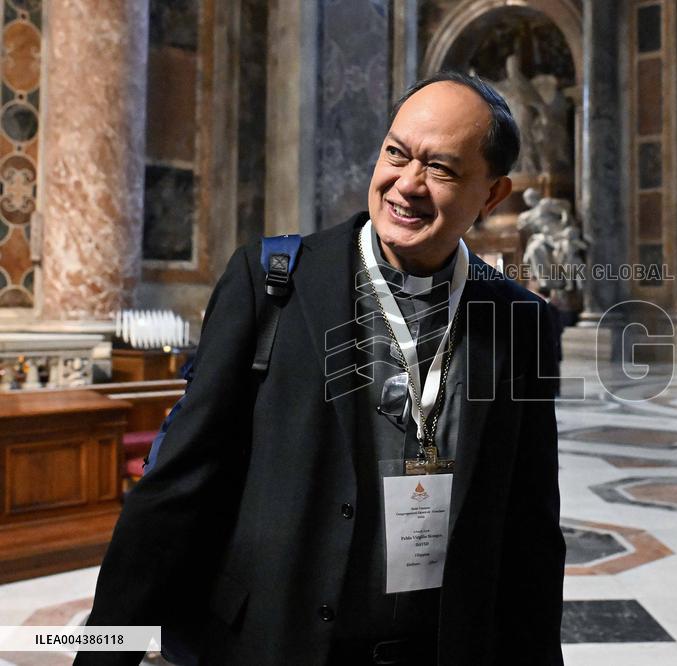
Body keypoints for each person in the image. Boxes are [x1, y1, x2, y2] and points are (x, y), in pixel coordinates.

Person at [76, 72, 565, 666]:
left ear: (492, 195)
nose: (406, 185)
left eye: (440, 169)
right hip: (277, 645)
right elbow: (175, 491)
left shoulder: (520, 320)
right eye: (396, 153)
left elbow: (530, 527)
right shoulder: (272, 284)